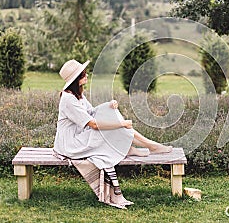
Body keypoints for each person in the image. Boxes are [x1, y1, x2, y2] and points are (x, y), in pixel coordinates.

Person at [53, 59, 172, 208]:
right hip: (70, 144)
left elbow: (92, 112)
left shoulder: (78, 95)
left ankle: (139, 147)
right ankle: (148, 146)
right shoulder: (68, 100)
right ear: (76, 79)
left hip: (80, 135)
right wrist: (121, 124)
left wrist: (109, 105)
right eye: (83, 74)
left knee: (110, 114)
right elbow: (94, 124)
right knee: (113, 128)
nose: (87, 75)